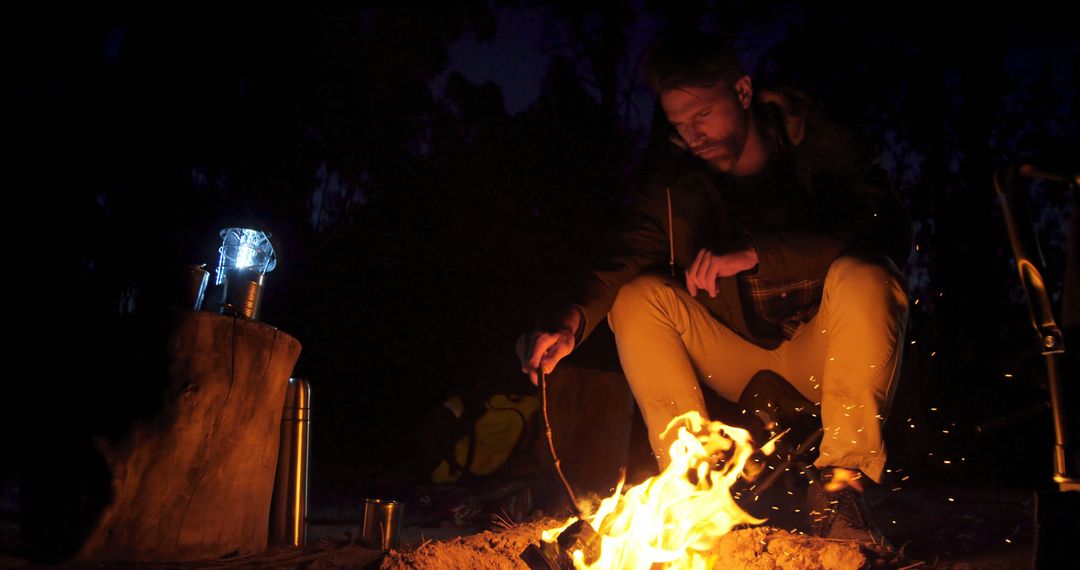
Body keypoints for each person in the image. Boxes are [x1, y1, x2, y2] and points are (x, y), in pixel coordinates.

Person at [516, 31, 911, 543]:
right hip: (740, 353)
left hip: (829, 346)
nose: (693, 134)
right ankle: (692, 490)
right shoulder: (677, 176)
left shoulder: (819, 143)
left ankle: (840, 488)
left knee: (868, 275)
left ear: (743, 92)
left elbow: (880, 231)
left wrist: (757, 253)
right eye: (680, 122)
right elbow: (627, 251)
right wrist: (571, 317)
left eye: (702, 115)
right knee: (637, 299)